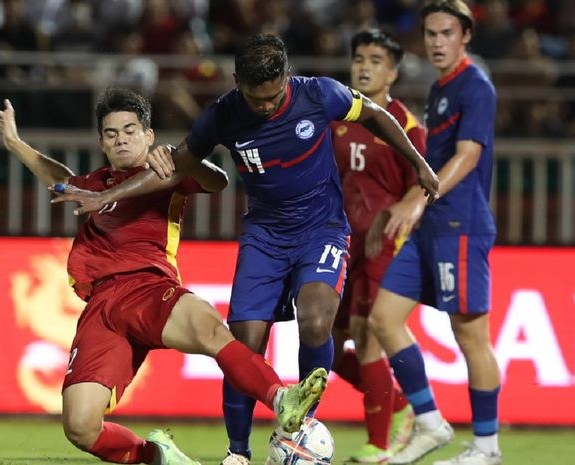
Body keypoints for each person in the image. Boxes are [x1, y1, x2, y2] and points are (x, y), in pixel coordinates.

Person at [50, 34, 439, 465]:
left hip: (321, 229)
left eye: (274, 98)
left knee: (315, 323)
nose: (267, 107)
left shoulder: (320, 94)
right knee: (244, 342)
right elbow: (175, 168)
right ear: (238, 83)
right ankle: (238, 453)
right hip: (264, 237)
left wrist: (418, 163)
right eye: (257, 99)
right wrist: (109, 195)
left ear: (287, 77)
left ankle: (301, 423)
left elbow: (376, 116)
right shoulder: (221, 116)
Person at [0, 87, 328, 465]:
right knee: (81, 426)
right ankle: (161, 458)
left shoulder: (162, 172)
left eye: (130, 130)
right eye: (112, 133)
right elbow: (61, 179)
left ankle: (283, 399)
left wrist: (181, 160)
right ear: (102, 142)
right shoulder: (96, 184)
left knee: (209, 329)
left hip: (148, 287)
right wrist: (16, 143)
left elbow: (218, 181)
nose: (121, 139)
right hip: (101, 308)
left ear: (148, 135)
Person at [366, 1, 501, 465]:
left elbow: (467, 156)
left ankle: (486, 447)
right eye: (430, 34)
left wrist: (417, 198)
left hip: (460, 226)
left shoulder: (475, 87)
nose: (437, 42)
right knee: (383, 318)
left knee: (471, 337)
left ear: (465, 36)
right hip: (431, 228)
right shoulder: (442, 88)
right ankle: (429, 423)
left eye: (446, 33)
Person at [329, 29, 426, 463]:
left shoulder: (405, 126)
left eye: (374, 60)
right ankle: (401, 404)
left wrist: (405, 209)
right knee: (326, 345)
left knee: (367, 339)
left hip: (383, 248)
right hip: (336, 244)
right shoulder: (335, 117)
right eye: (358, 58)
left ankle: (378, 446)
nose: (364, 67)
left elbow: (424, 186)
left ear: (392, 72)